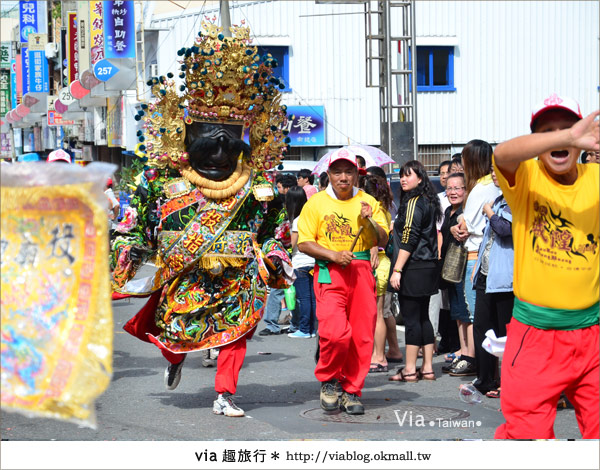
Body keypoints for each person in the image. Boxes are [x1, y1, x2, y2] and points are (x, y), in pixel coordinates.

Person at [112, 23, 293, 418]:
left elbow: (274, 233)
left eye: (228, 138)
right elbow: (135, 230)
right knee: (176, 334)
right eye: (208, 138)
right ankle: (175, 358)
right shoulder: (163, 186)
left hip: (239, 277)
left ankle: (225, 393)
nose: (218, 152)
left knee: (237, 332)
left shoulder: (259, 189)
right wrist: (127, 250)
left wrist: (275, 255)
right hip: (187, 274)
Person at [492, 93, 599, 439]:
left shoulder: (595, 179)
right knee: (527, 437)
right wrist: (567, 136)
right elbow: (501, 154)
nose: (560, 136)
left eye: (568, 127)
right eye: (548, 131)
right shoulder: (526, 177)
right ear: (537, 143)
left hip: (593, 335)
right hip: (536, 338)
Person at [297, 147, 388, 415]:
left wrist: (369, 221)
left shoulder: (369, 202)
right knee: (335, 333)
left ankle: (352, 390)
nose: (343, 177)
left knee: (361, 336)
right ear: (329, 175)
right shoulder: (316, 203)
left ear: (357, 175)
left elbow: (382, 240)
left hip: (361, 271)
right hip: (330, 272)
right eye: (338, 172)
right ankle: (329, 380)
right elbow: (304, 243)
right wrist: (333, 255)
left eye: (349, 172)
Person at [449, 140, 501, 377]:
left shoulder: (480, 188)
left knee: (476, 317)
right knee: (490, 317)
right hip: (493, 254)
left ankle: (480, 367)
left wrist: (457, 227)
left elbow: (464, 226)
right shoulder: (495, 185)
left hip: (474, 256)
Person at [388, 160, 442, 383]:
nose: (403, 179)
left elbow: (409, 238)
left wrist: (397, 269)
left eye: (408, 175)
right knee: (423, 318)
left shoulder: (414, 202)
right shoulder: (430, 201)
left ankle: (410, 369)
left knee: (412, 319)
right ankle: (427, 368)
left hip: (413, 267)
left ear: (420, 178)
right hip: (428, 266)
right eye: (402, 175)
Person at [471, 166, 514, 397]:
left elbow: (505, 229)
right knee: (481, 328)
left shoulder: (516, 200)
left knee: (504, 332)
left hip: (506, 278)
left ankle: (507, 383)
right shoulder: (498, 199)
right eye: (492, 170)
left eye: (499, 170)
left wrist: (489, 212)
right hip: (486, 275)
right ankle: (485, 379)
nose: (494, 174)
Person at [359, 174, 394, 372]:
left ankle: (379, 357)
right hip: (376, 262)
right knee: (373, 313)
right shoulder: (385, 208)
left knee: (378, 313)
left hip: (377, 262)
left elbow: (381, 238)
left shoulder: (376, 209)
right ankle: (376, 354)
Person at [439, 173, 471, 374]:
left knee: (466, 314)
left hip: (465, 267)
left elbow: (462, 232)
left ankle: (470, 356)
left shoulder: (467, 212)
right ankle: (463, 352)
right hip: (451, 269)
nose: (453, 192)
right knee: (458, 314)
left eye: (458, 188)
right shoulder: (449, 211)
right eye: (449, 188)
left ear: (466, 190)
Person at [285, 186, 317, 338]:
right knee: (311, 297)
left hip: (301, 263)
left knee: (303, 298)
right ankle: (312, 329)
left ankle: (304, 329)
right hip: (313, 261)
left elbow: (293, 244)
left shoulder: (298, 220)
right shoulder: (311, 216)